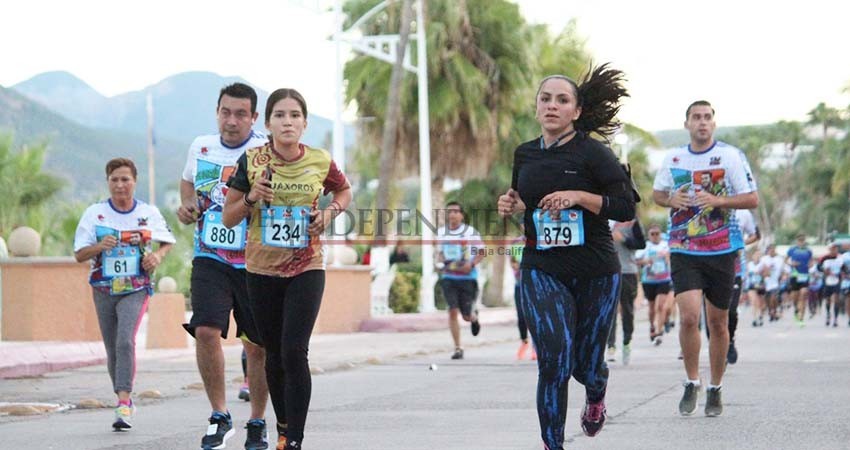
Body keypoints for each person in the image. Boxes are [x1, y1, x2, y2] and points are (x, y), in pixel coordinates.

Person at [497, 64, 635, 448]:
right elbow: (523, 198)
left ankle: (596, 393)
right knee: (554, 362)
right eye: (546, 99)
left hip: (595, 271)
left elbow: (625, 207)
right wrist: (512, 203)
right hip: (543, 267)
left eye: (562, 100)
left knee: (586, 367)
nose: (552, 106)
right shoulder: (524, 154)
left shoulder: (594, 153)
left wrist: (578, 197)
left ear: (576, 111)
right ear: (537, 107)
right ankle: (552, 444)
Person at [222, 88, 352, 450]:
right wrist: (251, 197)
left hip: (307, 265)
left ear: (305, 123)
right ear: (267, 123)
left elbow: (344, 192)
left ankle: (294, 438)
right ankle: (282, 425)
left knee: (295, 350)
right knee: (273, 354)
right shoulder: (251, 161)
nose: (288, 121)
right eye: (280, 115)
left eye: (295, 115)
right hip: (261, 270)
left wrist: (327, 214)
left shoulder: (320, 160)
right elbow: (230, 217)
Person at [177, 82, 271, 450]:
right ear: (217, 111)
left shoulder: (265, 150)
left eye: (240, 114)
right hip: (209, 255)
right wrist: (186, 206)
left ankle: (257, 422)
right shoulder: (200, 146)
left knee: (258, 345)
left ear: (253, 117)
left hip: (255, 261)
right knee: (205, 331)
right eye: (225, 112)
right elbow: (187, 183)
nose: (232, 121)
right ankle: (219, 415)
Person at [653, 100, 758, 417]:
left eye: (707, 117)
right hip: (684, 247)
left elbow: (751, 198)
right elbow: (657, 194)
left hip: (722, 248)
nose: (702, 122)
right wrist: (671, 198)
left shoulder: (730, 156)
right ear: (686, 123)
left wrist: (717, 199)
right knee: (687, 317)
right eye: (696, 117)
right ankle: (691, 380)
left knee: (718, 323)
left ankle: (715, 388)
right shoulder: (673, 157)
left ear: (714, 123)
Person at [73, 157, 175, 431]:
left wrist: (157, 256)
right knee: (112, 349)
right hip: (104, 287)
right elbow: (79, 254)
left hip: (136, 287)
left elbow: (168, 240)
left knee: (124, 341)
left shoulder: (147, 212)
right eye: (114, 180)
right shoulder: (94, 214)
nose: (120, 185)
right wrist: (99, 246)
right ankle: (122, 396)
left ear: (135, 181)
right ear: (108, 182)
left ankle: (123, 402)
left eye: (125, 179)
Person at [435, 201, 486, 360]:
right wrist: (443, 264)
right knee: (452, 310)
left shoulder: (471, 232)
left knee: (465, 316)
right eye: (449, 212)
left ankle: (474, 317)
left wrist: (471, 264)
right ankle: (458, 348)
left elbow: (482, 252)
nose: (452, 215)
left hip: (467, 278)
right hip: (449, 277)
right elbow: (439, 254)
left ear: (462, 215)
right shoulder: (442, 233)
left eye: (456, 212)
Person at [606, 218, 645, 364]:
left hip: (628, 271)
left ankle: (627, 341)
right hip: (608, 271)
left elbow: (641, 244)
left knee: (627, 311)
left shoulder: (632, 222)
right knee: (610, 310)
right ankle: (610, 346)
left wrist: (623, 239)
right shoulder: (603, 219)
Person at [636, 224, 673, 346]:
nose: (655, 236)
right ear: (649, 235)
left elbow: (672, 257)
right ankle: (652, 326)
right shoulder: (645, 247)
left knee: (660, 306)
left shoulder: (666, 246)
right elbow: (636, 260)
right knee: (652, 308)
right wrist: (646, 261)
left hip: (663, 280)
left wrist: (668, 258)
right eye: (652, 234)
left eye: (657, 234)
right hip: (649, 280)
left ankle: (659, 331)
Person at [509, 228, 535, 360]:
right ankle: (524, 341)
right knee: (521, 315)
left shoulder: (539, 239)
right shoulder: (516, 243)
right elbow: (512, 261)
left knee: (535, 315)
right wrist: (517, 265)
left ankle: (536, 347)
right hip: (520, 283)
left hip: (536, 284)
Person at [787, 233, 813, 326]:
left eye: (803, 240)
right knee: (795, 296)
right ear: (797, 240)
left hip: (805, 276)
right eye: (800, 240)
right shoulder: (792, 250)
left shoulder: (808, 251)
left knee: (803, 294)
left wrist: (811, 265)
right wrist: (791, 264)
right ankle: (796, 309)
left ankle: (801, 318)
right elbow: (786, 260)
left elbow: (811, 261)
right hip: (795, 275)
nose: (801, 242)